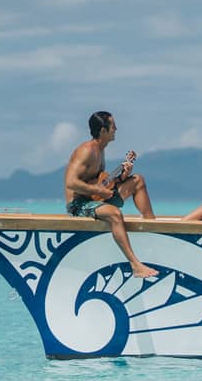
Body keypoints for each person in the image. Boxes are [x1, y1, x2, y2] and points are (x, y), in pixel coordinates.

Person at [64, 111, 158, 278]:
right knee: (115, 214)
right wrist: (98, 191)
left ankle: (154, 230)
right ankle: (135, 265)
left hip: (96, 199)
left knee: (137, 180)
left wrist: (122, 176)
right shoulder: (86, 151)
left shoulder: (101, 150)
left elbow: (99, 181)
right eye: (113, 126)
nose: (116, 129)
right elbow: (71, 182)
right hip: (78, 204)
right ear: (103, 130)